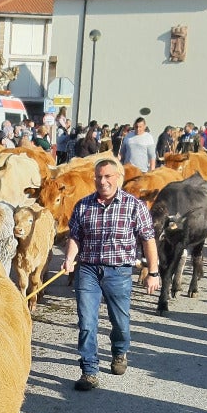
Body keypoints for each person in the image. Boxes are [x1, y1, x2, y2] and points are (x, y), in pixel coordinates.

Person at [61, 160, 160, 391]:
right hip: (88, 270)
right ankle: (89, 370)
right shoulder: (83, 206)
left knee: (120, 322)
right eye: (98, 177)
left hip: (119, 272)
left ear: (118, 178)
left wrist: (153, 272)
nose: (102, 181)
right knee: (87, 322)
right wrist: (69, 258)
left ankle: (119, 351)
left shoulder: (134, 206)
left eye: (107, 176)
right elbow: (75, 237)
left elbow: (148, 239)